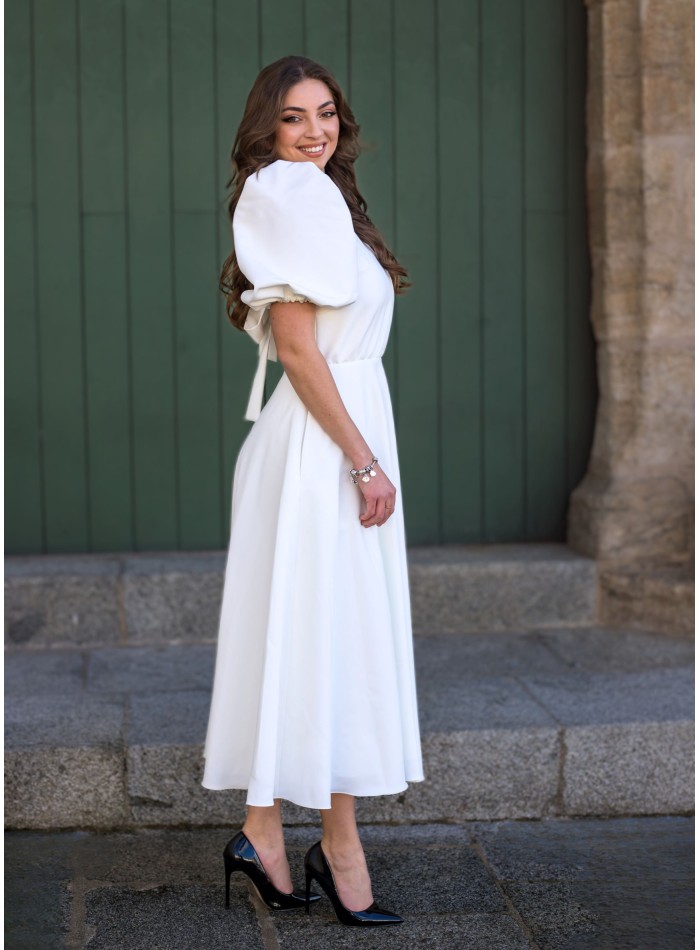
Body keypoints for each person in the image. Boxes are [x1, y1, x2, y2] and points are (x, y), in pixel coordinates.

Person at [202, 54, 424, 927]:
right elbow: (298, 349)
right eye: (294, 116)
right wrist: (363, 460)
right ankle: (336, 847)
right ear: (267, 126)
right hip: (320, 446)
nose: (314, 131)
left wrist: (363, 452)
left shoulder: (319, 196)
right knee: (329, 634)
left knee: (321, 636)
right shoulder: (287, 192)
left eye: (326, 113)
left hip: (336, 429)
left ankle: (267, 832)